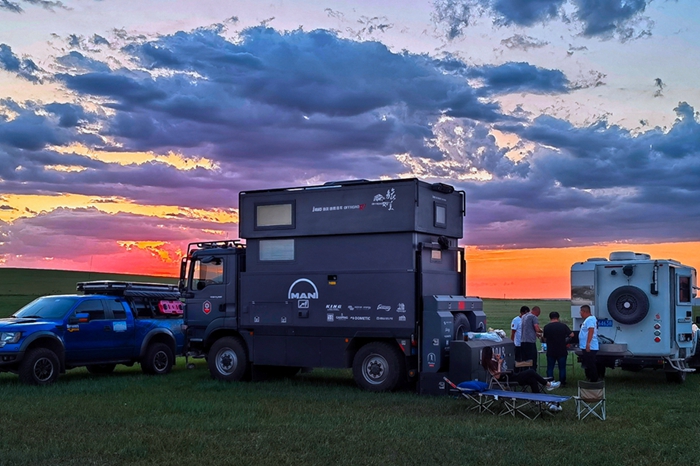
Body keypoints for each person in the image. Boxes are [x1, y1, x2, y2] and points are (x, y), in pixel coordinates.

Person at [480, 346, 560, 393]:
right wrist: (499, 363)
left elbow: (499, 368)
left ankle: (539, 400)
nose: (494, 353)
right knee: (531, 371)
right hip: (508, 378)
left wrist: (499, 360)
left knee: (532, 380)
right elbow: (497, 376)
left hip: (510, 376)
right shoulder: (489, 363)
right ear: (490, 353)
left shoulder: (492, 361)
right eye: (492, 352)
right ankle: (548, 384)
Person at [543, 311, 574, 386]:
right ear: (558, 317)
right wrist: (566, 340)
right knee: (562, 368)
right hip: (561, 350)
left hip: (551, 350)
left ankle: (550, 382)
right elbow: (572, 335)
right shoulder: (563, 326)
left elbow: (544, 338)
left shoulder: (547, 327)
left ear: (550, 318)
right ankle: (562, 382)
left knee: (550, 367)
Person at [579, 304, 599, 382]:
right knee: (588, 363)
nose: (580, 313)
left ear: (584, 311)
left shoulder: (590, 319)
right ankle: (590, 377)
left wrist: (588, 344)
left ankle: (593, 379)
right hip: (587, 346)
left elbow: (591, 330)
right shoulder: (589, 319)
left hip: (590, 346)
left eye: (580, 312)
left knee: (591, 363)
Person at [520, 305, 542, 370]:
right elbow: (537, 329)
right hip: (530, 342)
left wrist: (535, 333)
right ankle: (532, 376)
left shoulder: (523, 316)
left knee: (524, 362)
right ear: (537, 312)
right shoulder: (533, 317)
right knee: (532, 361)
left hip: (523, 341)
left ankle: (524, 375)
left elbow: (528, 328)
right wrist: (542, 331)